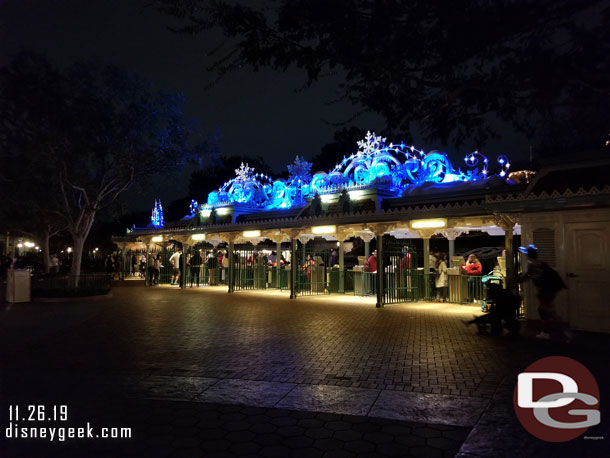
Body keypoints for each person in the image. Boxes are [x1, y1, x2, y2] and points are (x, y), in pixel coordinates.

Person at [518, 244, 570, 341]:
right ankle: (558, 330)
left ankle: (552, 331)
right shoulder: (539, 263)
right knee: (547, 309)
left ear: (528, 255)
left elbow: (527, 277)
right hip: (551, 288)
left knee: (543, 310)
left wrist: (514, 280)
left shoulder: (533, 265)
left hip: (548, 288)